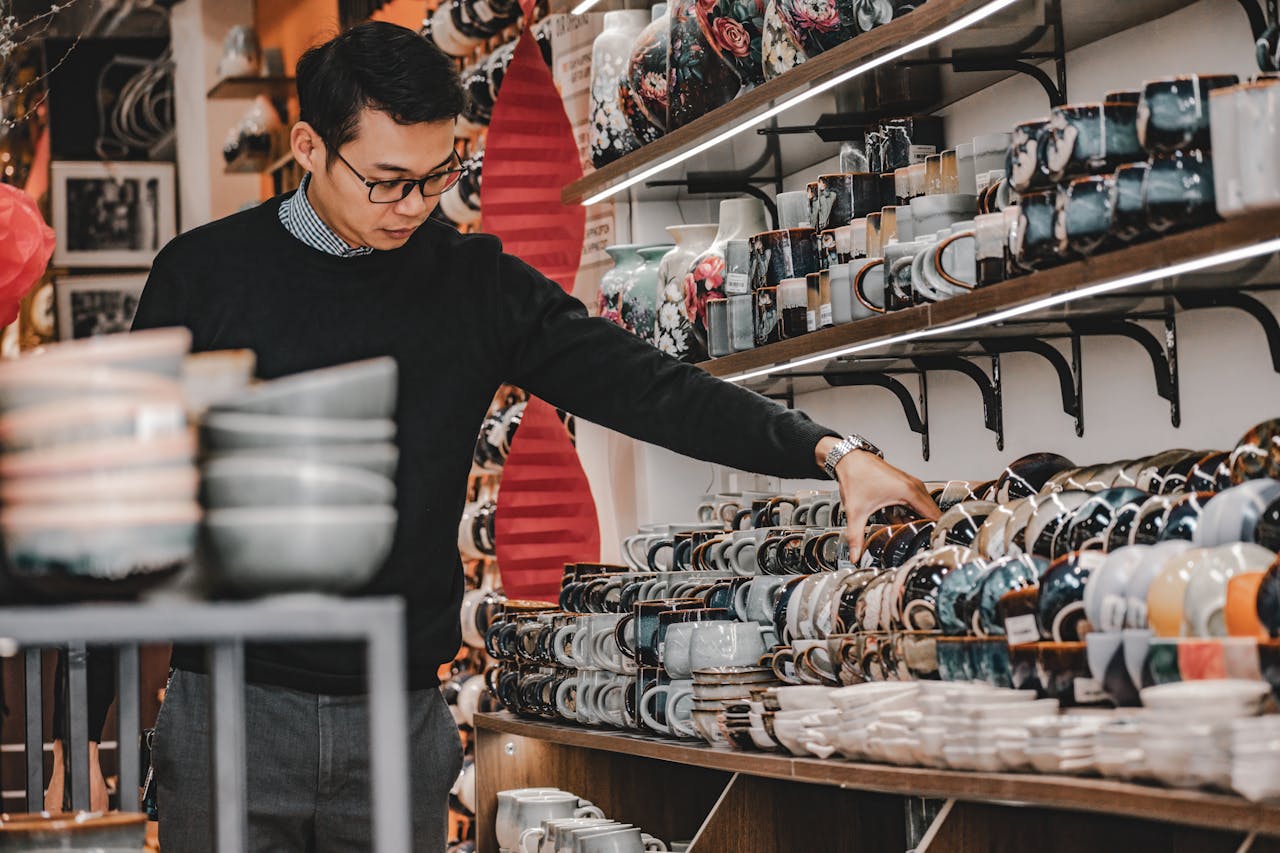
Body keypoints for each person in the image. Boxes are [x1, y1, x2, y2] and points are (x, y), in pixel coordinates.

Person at [133, 20, 938, 852]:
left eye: (437, 175)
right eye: (386, 181)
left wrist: (829, 452)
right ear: (307, 146)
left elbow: (646, 387)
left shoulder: (472, 283)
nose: (415, 205)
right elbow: (130, 481)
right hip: (228, 705)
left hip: (399, 710)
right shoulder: (203, 277)